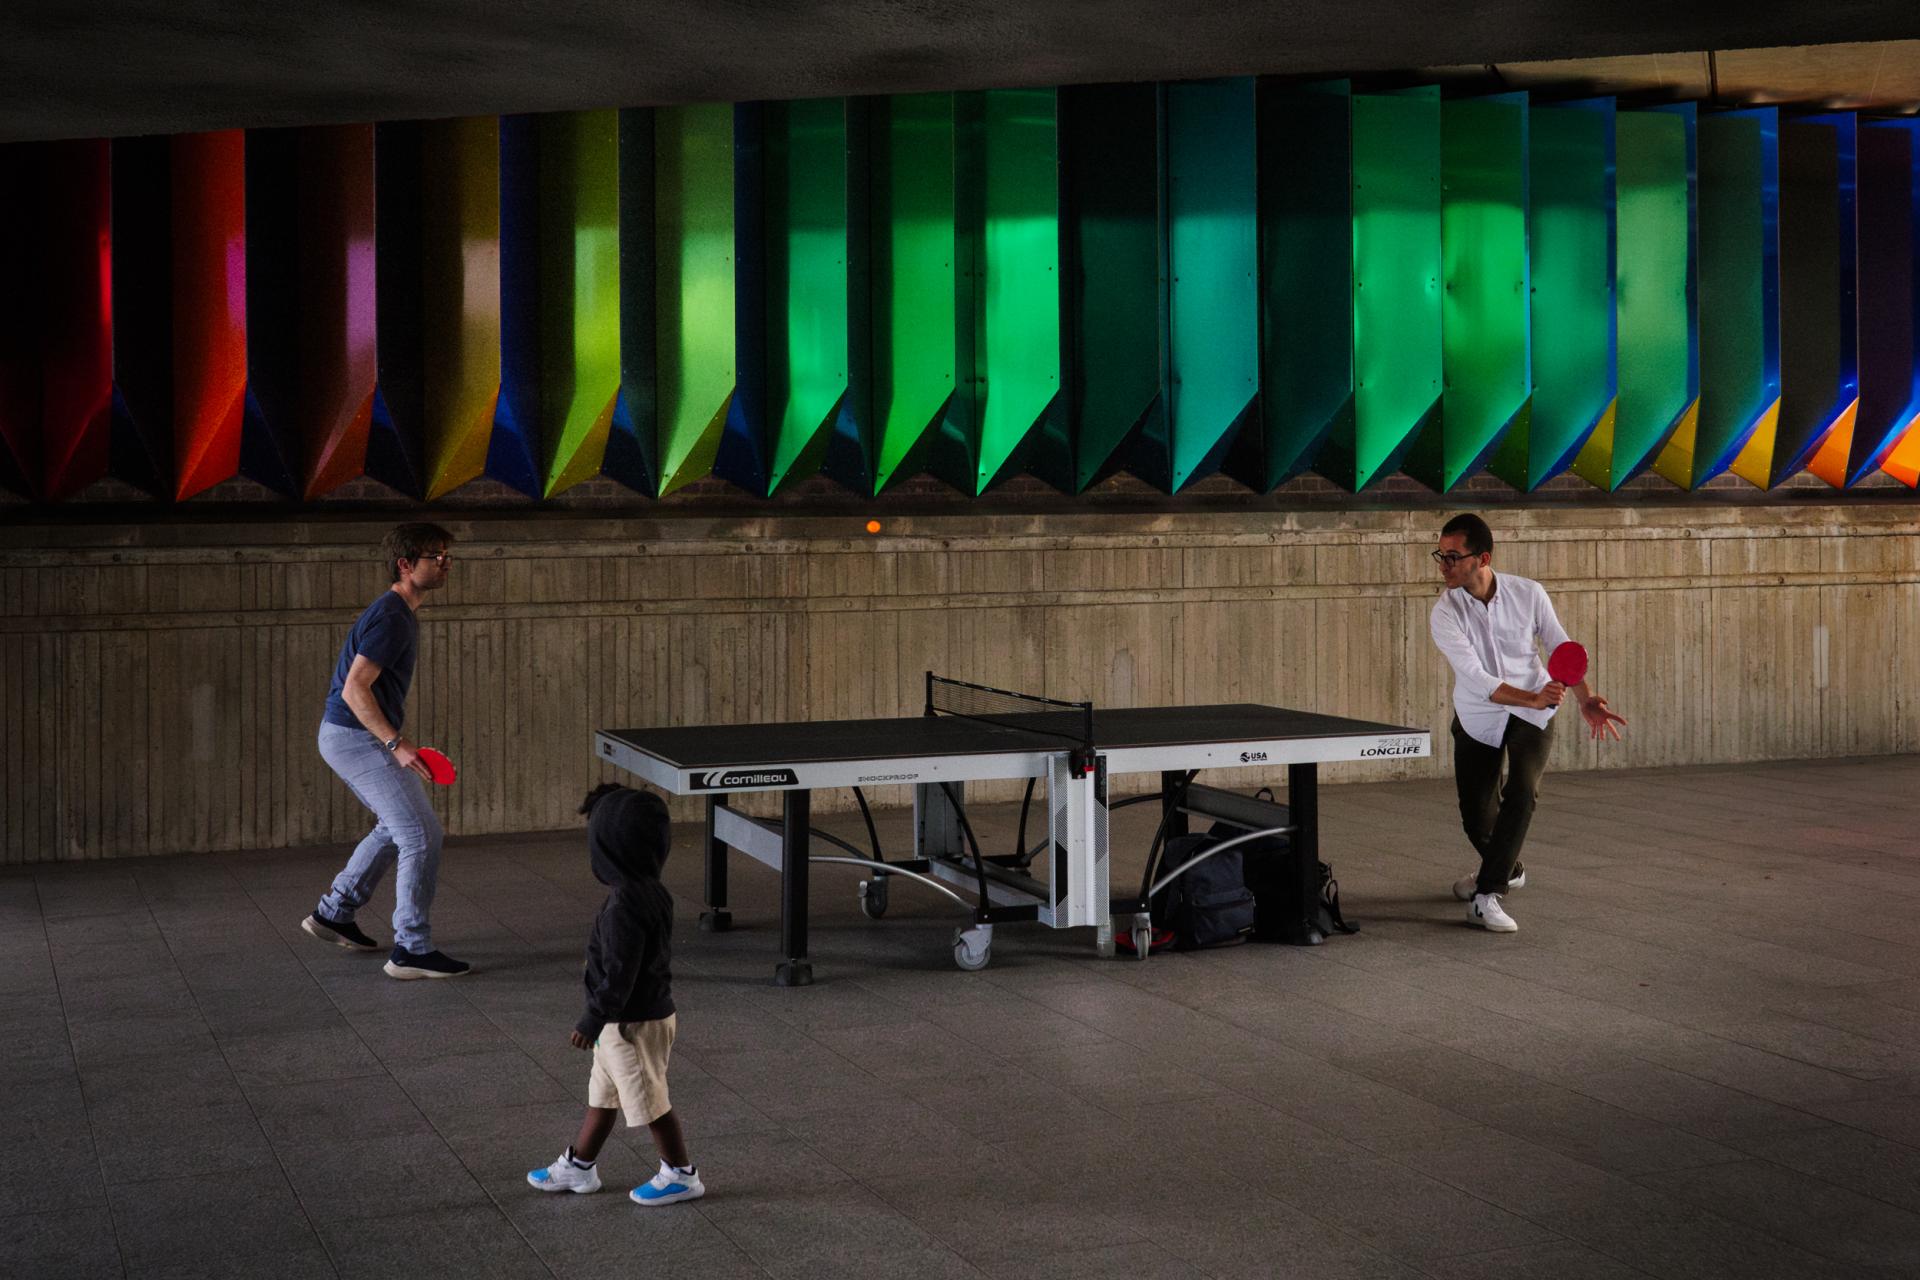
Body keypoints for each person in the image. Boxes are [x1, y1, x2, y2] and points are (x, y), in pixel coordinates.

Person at [1429, 513, 1626, 933]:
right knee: (1476, 815)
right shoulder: (1444, 613)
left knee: (1522, 791)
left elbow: (1559, 646)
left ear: (1482, 558)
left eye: (1452, 556)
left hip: (1533, 714)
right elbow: (1478, 679)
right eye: (1440, 556)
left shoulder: (1528, 593)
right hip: (1478, 715)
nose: (1443, 565)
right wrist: (1532, 696)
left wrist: (1586, 698)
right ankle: (1507, 866)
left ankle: (1486, 896)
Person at [300, 522, 470, 979]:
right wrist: (396, 744)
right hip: (354, 738)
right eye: (436, 556)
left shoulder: (399, 612)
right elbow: (356, 689)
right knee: (421, 834)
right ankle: (411, 949)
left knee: (397, 829)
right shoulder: (393, 616)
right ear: (405, 564)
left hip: (347, 736)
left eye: (446, 555)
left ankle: (335, 911)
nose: (445, 563)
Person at [527, 784, 703, 1206]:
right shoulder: (650, 890)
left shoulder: (624, 905)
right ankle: (579, 1166)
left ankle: (681, 1173)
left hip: (630, 1023)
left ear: (608, 850)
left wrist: (592, 1018)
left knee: (650, 1100)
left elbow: (621, 975)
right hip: (627, 1020)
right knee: (603, 1096)